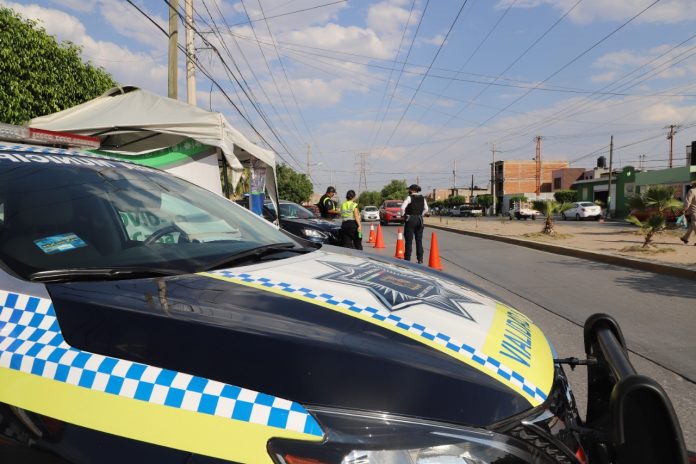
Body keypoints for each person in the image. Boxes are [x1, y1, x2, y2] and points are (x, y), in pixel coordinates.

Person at [401, 184, 429, 263]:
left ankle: (407, 259)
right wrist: (421, 214)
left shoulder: (409, 197)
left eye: (409, 189)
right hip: (420, 219)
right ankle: (420, 259)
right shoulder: (422, 198)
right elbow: (426, 209)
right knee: (419, 240)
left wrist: (403, 215)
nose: (408, 191)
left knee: (409, 240)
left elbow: (402, 208)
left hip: (411, 219)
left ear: (412, 190)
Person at [680, 179, 696, 245]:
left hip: (694, 211)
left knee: (694, 224)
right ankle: (685, 238)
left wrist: (684, 209)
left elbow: (687, 201)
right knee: (693, 225)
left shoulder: (692, 191)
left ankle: (685, 238)